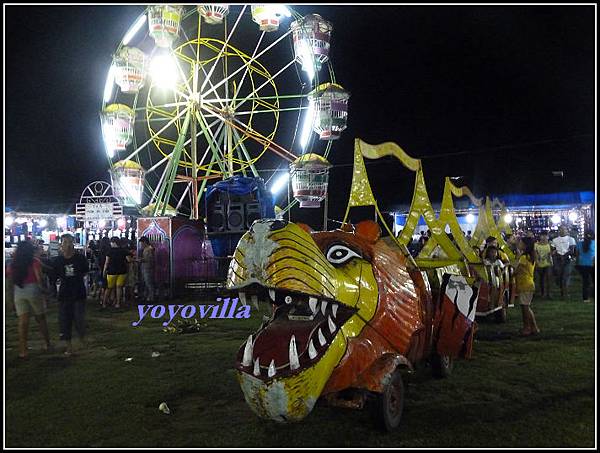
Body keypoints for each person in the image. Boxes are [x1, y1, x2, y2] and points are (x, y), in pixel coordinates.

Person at [6, 241, 52, 358]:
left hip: (18, 291)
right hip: (33, 289)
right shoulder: (34, 262)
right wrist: (45, 291)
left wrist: (10, 299)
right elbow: (39, 278)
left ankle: (23, 350)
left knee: (23, 322)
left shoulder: (13, 264)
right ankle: (47, 343)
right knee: (40, 318)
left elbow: (9, 281)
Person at [51, 234, 89, 356]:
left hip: (78, 292)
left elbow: (84, 272)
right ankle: (69, 346)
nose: (66, 244)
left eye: (69, 242)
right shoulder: (58, 260)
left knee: (79, 319)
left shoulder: (80, 258)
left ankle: (81, 339)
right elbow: (54, 275)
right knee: (65, 320)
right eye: (64, 242)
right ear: (61, 245)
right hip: (64, 293)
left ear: (73, 243)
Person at [513, 237, 540, 336]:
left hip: (524, 284)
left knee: (525, 308)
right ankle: (534, 327)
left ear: (525, 245)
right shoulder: (530, 256)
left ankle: (527, 328)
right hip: (528, 284)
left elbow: (516, 268)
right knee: (527, 307)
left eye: (520, 242)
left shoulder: (524, 257)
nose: (519, 244)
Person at [102, 237, 131, 309]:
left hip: (111, 271)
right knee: (119, 287)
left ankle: (104, 303)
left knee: (109, 288)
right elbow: (129, 260)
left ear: (114, 242)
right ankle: (118, 303)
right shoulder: (123, 250)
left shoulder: (110, 251)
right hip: (122, 271)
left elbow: (107, 262)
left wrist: (104, 271)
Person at [551, 225, 577, 299]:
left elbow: (572, 250)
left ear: (567, 230)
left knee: (566, 275)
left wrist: (565, 255)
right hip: (558, 259)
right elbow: (553, 249)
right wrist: (556, 254)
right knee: (559, 276)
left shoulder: (571, 239)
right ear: (558, 231)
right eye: (560, 229)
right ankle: (562, 290)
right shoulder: (555, 240)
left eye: (564, 229)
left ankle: (565, 292)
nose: (562, 231)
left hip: (567, 259)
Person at [575, 230, 595, 303]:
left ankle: (585, 298)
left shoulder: (579, 244)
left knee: (585, 282)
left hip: (582, 264)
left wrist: (577, 264)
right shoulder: (594, 243)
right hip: (593, 264)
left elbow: (577, 255)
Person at [534, 232, 553, 300]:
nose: (544, 237)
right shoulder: (536, 245)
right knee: (541, 279)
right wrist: (537, 261)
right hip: (539, 263)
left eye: (545, 236)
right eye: (542, 236)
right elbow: (535, 253)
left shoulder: (550, 244)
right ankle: (543, 293)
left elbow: (552, 252)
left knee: (548, 278)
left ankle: (548, 293)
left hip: (548, 263)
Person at [138, 236, 156, 303]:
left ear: (144, 242)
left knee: (148, 283)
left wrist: (140, 260)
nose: (141, 245)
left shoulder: (149, 249)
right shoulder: (147, 249)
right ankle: (148, 296)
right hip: (145, 267)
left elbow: (149, 259)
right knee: (146, 283)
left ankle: (151, 297)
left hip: (148, 268)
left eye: (142, 243)